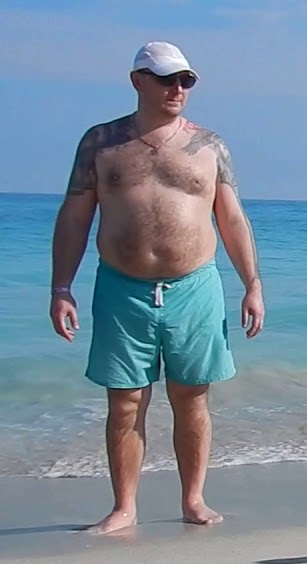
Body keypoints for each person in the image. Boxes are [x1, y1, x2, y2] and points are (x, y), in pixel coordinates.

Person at [48, 41, 265, 535]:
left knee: (192, 396)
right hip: (122, 288)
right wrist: (62, 286)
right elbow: (75, 216)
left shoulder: (209, 146)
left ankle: (193, 499)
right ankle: (124, 507)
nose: (177, 89)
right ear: (137, 81)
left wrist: (251, 284)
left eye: (185, 80)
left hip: (194, 286)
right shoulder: (101, 143)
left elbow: (231, 218)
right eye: (167, 79)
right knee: (124, 399)